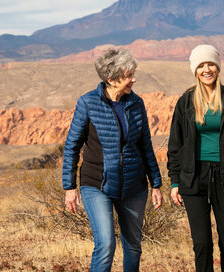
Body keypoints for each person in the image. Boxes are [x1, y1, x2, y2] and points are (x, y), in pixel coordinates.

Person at [62, 47, 163, 272]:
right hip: (97, 184)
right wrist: (69, 187)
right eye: (128, 75)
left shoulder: (137, 104)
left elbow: (145, 146)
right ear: (112, 78)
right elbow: (72, 145)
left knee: (133, 246)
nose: (134, 79)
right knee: (106, 244)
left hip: (133, 185)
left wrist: (156, 183)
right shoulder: (88, 103)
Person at [167, 44, 224, 272]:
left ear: (218, 67)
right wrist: (175, 181)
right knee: (202, 243)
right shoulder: (186, 102)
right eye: (201, 65)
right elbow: (175, 145)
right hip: (193, 178)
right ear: (195, 70)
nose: (206, 69)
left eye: (211, 64)